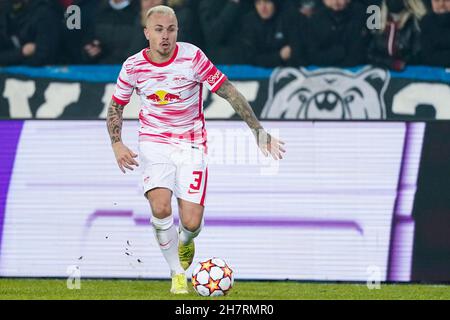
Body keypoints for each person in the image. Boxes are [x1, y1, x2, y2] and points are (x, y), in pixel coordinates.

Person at [106, 5, 285, 294]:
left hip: (191, 143)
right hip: (154, 142)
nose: (165, 36)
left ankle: (185, 241)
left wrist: (258, 131)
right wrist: (116, 143)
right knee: (161, 207)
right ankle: (178, 274)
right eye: (159, 30)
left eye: (171, 29)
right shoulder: (133, 66)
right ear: (147, 33)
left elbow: (229, 91)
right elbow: (116, 106)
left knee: (191, 222)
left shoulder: (192, 57)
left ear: (177, 30)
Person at [367, 0, 427, 71]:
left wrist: (403, 63)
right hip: (381, 73)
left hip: (407, 75)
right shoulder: (377, 19)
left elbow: (417, 54)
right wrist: (391, 63)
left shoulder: (415, 21)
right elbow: (370, 53)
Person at [306, 0, 369, 67]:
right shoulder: (315, 19)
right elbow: (312, 55)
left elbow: (356, 55)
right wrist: (338, 52)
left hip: (352, 69)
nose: (336, 2)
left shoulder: (359, 16)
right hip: (320, 69)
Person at [0, 0, 60, 66]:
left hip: (47, 72)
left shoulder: (45, 11)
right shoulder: (6, 9)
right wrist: (22, 52)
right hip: (15, 69)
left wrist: (12, 56)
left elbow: (43, 57)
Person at [241, 0, 298, 67]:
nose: (263, 8)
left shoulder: (287, 19)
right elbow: (250, 58)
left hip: (286, 71)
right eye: (258, 3)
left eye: (267, 2)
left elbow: (295, 52)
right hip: (256, 73)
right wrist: (279, 56)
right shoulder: (249, 22)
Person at [81, 0, 139, 64]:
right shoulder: (93, 8)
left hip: (133, 68)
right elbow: (86, 42)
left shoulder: (142, 10)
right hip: (101, 69)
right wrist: (90, 51)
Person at [420, 0, 450, 67]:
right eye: (436, 0)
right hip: (435, 73)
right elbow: (427, 56)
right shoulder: (426, 22)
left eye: (447, 0)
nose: (441, 4)